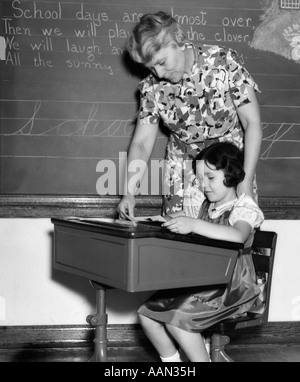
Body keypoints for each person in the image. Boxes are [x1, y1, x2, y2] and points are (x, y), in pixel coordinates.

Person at [117, 11, 262, 220]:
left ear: (179, 41)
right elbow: (141, 143)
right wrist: (128, 193)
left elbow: (252, 122)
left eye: (162, 62)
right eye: (151, 67)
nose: (158, 73)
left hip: (228, 165)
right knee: (179, 243)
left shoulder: (223, 62)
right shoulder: (151, 88)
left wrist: (245, 179)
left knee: (231, 233)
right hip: (182, 169)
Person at [137, 142, 265, 362]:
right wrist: (164, 220)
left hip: (233, 286)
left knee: (178, 321)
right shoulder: (205, 205)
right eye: (200, 178)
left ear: (231, 174)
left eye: (210, 178)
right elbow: (184, 218)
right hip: (206, 280)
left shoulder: (244, 207)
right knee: (146, 314)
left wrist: (194, 225)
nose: (203, 184)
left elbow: (238, 236)